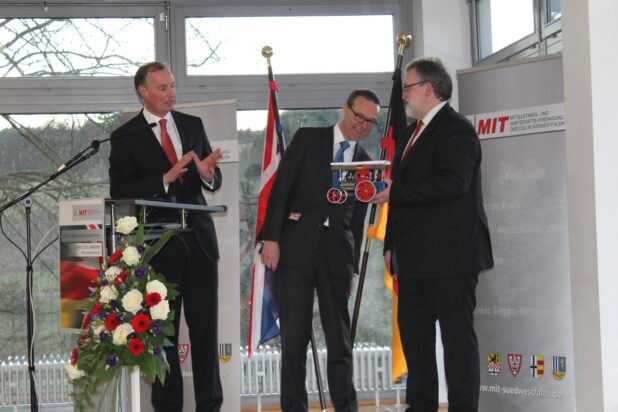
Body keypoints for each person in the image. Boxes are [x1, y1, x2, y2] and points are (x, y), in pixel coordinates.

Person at [372, 57, 493, 412]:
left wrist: (398, 192)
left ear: (428, 88)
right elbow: (401, 193)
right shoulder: (412, 133)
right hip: (412, 261)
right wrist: (391, 245)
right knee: (416, 343)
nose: (403, 95)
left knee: (457, 343)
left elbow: (453, 184)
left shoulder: (457, 130)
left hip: (451, 257)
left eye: (407, 88)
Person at [109, 61, 224, 412]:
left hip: (200, 242)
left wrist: (207, 174)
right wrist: (164, 179)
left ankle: (210, 406)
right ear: (143, 92)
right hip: (159, 248)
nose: (171, 93)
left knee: (205, 334)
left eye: (172, 86)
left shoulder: (192, 125)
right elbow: (120, 192)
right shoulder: (125, 137)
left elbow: (212, 180)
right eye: (163, 88)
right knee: (162, 336)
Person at [260, 90, 380, 411]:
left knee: (340, 344)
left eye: (370, 121)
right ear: (345, 109)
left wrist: (352, 267)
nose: (363, 125)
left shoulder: (365, 162)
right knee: (294, 343)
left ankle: (346, 407)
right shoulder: (309, 138)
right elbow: (281, 187)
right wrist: (271, 238)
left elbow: (357, 220)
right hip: (296, 252)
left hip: (337, 259)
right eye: (359, 116)